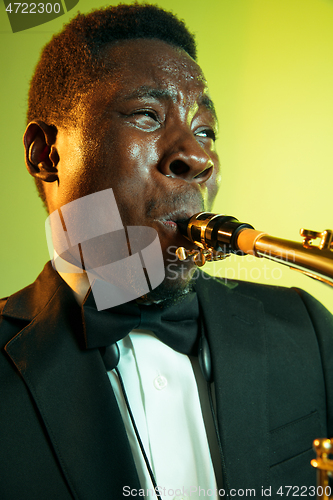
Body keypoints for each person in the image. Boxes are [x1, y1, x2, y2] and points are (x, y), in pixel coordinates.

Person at [0, 4, 332, 499]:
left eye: (205, 131)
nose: (198, 158)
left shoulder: (304, 328)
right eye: (147, 115)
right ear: (47, 154)